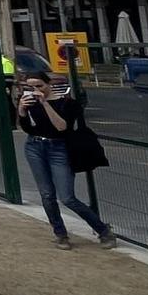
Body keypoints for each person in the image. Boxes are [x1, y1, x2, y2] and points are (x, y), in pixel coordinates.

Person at [15, 70, 115, 250]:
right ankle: (60, 233)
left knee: (67, 197)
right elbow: (27, 128)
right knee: (47, 194)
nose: (35, 90)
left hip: (59, 148)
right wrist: (21, 110)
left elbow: (61, 127)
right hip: (35, 146)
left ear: (49, 84)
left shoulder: (68, 104)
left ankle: (103, 230)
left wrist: (45, 104)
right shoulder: (30, 103)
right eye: (30, 87)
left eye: (39, 86)